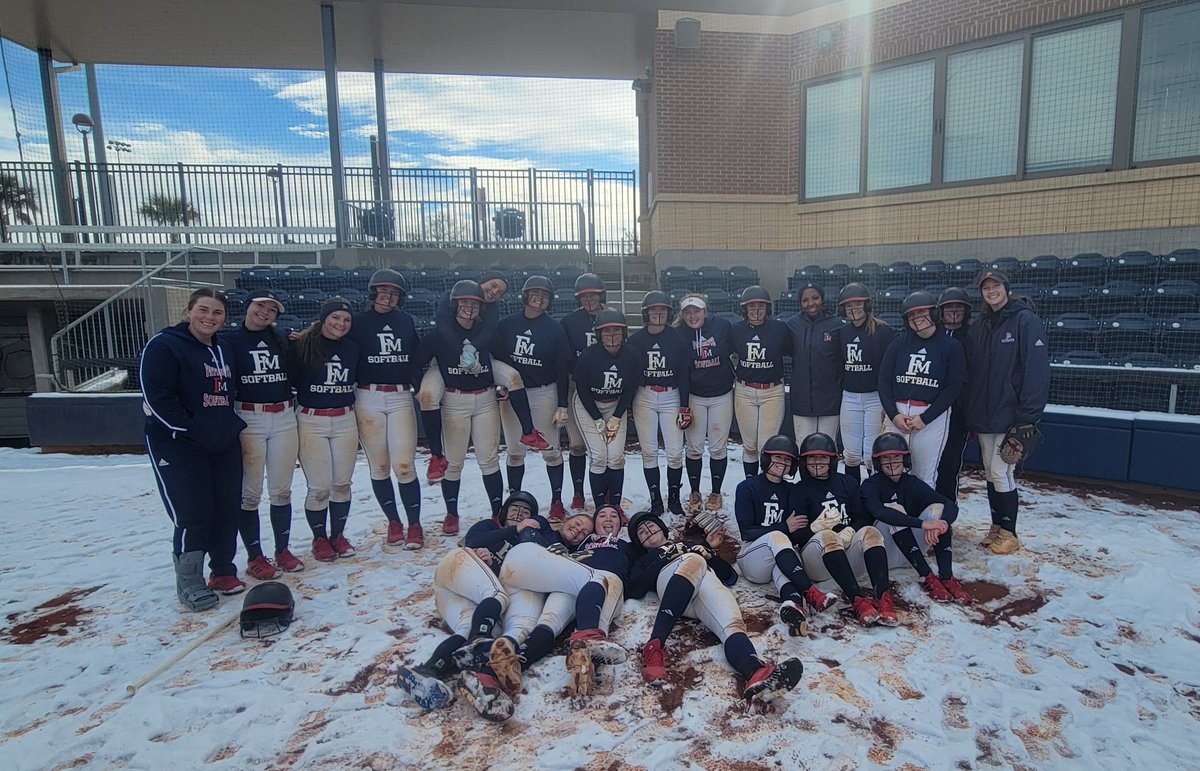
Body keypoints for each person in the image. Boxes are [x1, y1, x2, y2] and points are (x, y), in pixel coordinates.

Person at [395, 491, 553, 722]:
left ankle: (428, 672)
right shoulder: (490, 526)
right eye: (514, 510)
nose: (519, 515)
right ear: (503, 513)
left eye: (525, 513)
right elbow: (473, 541)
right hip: (458, 569)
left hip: (467, 595)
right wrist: (510, 533)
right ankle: (477, 643)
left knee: (468, 626)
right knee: (497, 596)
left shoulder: (525, 543)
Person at [141, 288, 247, 610]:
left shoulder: (224, 348)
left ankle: (223, 570)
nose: (209, 318)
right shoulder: (164, 346)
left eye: (217, 313)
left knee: (228, 507)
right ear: (189, 311)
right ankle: (189, 579)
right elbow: (157, 398)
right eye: (203, 310)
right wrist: (191, 429)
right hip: (178, 444)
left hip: (222, 441)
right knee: (193, 512)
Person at [626, 510, 805, 701]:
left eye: (650, 525)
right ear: (639, 542)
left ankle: (754, 671)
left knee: (732, 624)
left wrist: (710, 555)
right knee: (694, 560)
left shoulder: (689, 545)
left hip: (704, 586)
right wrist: (666, 556)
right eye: (641, 531)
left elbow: (730, 577)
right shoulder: (643, 560)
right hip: (671, 586)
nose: (647, 530)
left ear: (662, 528)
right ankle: (654, 646)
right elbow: (635, 588)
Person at [419, 271, 549, 484]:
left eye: (500, 291)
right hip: (446, 358)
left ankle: (528, 431)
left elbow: (489, 333)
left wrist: (472, 351)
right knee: (428, 394)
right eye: (493, 285)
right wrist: (463, 351)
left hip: (476, 356)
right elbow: (443, 328)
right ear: (483, 281)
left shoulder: (491, 309)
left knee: (513, 377)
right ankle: (436, 455)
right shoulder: (451, 297)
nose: (495, 292)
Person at [498, 504, 633, 696]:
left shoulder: (626, 546)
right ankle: (518, 663)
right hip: (570, 578)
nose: (609, 519)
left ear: (620, 525)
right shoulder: (579, 544)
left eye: (614, 516)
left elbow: (642, 572)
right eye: (602, 515)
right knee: (549, 620)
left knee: (598, 625)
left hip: (608, 580)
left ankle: (585, 668)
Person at [965, 270, 1050, 555]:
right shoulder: (981, 325)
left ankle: (1010, 531)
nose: (991, 291)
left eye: (996, 286)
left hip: (1010, 414)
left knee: (1003, 472)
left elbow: (1036, 372)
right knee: (990, 472)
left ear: (1006, 288)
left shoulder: (1025, 320)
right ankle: (997, 527)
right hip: (985, 414)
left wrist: (1027, 416)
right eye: (986, 287)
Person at [416, 280, 507, 535]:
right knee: (454, 463)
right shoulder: (439, 334)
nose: (469, 308)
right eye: (464, 303)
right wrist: (417, 388)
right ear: (454, 305)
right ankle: (452, 514)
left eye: (474, 304)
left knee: (489, 460)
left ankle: (496, 513)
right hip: (455, 401)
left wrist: (505, 384)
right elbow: (417, 362)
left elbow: (502, 359)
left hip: (485, 399)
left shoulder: (486, 334)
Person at [225, 288, 304, 579]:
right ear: (248, 306)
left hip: (283, 414)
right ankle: (255, 555)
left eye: (272, 309)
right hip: (249, 416)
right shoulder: (230, 340)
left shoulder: (281, 338)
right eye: (261, 306)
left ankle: (282, 549)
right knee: (250, 493)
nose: (265, 312)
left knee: (281, 490)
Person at [349, 269, 425, 550]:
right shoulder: (358, 322)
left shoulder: (405, 321)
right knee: (379, 466)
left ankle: (415, 524)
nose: (388, 297)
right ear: (373, 293)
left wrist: (422, 389)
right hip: (367, 396)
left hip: (399, 395)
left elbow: (416, 359)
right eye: (383, 291)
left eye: (394, 293)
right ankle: (394, 521)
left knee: (404, 465)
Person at [733, 434, 835, 633]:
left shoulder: (792, 490)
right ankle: (811, 592)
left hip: (781, 554)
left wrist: (816, 527)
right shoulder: (747, 487)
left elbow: (797, 534)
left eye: (787, 459)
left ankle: (794, 605)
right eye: (777, 457)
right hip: (752, 557)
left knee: (786, 559)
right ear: (766, 458)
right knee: (778, 538)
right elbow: (746, 532)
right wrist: (783, 527)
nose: (782, 463)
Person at [793, 433, 897, 626]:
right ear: (804, 462)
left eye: (823, 457)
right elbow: (795, 536)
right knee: (828, 535)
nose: (817, 462)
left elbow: (865, 517)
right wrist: (814, 528)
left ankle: (882, 596)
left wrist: (851, 529)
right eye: (812, 458)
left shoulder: (847, 483)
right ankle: (856, 599)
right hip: (817, 561)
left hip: (847, 558)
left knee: (871, 532)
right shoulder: (799, 490)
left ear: (832, 459)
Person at [860, 433, 972, 604]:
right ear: (878, 462)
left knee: (938, 510)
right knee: (894, 511)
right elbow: (879, 512)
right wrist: (922, 524)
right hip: (883, 553)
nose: (891, 463)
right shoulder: (870, 485)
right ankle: (927, 576)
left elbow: (950, 505)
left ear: (905, 458)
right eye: (886, 458)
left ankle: (947, 577)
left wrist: (940, 524)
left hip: (910, 550)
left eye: (896, 457)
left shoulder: (912, 482)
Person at [495, 276, 572, 519]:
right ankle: (514, 499)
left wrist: (561, 403)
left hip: (543, 392)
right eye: (535, 293)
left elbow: (561, 369)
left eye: (545, 295)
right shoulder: (507, 324)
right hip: (513, 395)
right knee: (515, 452)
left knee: (551, 450)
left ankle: (557, 500)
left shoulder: (555, 328)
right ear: (525, 295)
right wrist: (499, 385)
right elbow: (497, 359)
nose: (539, 299)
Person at [292, 297, 360, 562]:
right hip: (312, 420)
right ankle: (319, 538)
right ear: (323, 319)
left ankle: (338, 535)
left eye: (345, 320)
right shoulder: (303, 346)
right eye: (334, 318)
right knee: (319, 487)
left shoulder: (352, 348)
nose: (340, 324)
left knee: (342, 484)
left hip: (345, 419)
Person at [878, 291, 967, 489]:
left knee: (923, 475)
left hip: (931, 416)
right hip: (898, 413)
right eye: (912, 315)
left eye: (921, 312)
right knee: (890, 471)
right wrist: (893, 415)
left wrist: (925, 418)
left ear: (934, 313)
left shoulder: (951, 346)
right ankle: (892, 518)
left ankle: (923, 520)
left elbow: (954, 387)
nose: (917, 318)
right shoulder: (899, 343)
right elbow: (883, 381)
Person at [627, 291, 692, 517]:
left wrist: (684, 405)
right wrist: (628, 405)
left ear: (668, 313)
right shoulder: (635, 340)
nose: (658, 314)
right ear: (646, 313)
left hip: (670, 395)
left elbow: (684, 374)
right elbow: (631, 375)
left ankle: (674, 498)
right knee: (649, 452)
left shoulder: (677, 338)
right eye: (654, 310)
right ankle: (655, 500)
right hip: (644, 396)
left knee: (674, 452)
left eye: (662, 310)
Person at [572, 308, 642, 515]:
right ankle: (601, 508)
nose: (611, 336)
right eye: (606, 331)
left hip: (614, 405)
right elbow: (582, 390)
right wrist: (597, 419)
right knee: (599, 456)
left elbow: (631, 388)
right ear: (599, 335)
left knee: (616, 457)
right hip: (588, 405)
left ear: (624, 333)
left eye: (616, 331)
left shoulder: (632, 355)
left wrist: (617, 416)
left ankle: (616, 506)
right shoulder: (589, 355)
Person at [675, 293, 735, 514]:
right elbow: (680, 370)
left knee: (718, 447)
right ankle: (695, 491)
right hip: (695, 396)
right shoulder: (679, 334)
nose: (693, 316)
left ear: (705, 311)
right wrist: (683, 404)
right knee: (694, 448)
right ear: (682, 315)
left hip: (721, 394)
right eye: (688, 312)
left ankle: (716, 492)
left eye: (697, 311)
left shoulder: (722, 326)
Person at [836, 283, 896, 482]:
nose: (853, 309)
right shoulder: (843, 332)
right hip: (850, 396)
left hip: (875, 398)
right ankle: (852, 498)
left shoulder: (882, 331)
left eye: (858, 304)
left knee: (872, 454)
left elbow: (890, 368)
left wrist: (889, 402)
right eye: (849, 306)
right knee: (851, 454)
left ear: (867, 305)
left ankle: (873, 497)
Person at [731, 285, 791, 479]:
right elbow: (725, 354)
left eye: (761, 306)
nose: (756, 311)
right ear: (744, 309)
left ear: (768, 309)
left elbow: (790, 351)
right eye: (751, 307)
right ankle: (751, 484)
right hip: (744, 389)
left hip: (772, 391)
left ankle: (767, 485)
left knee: (767, 444)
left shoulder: (780, 329)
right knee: (749, 445)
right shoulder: (736, 330)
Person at [560, 272, 607, 511]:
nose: (589, 300)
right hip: (576, 386)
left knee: (606, 445)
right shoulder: (570, 322)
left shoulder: (611, 317)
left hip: (607, 388)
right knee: (577, 444)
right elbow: (564, 358)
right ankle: (578, 492)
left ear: (601, 295)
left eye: (594, 295)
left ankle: (607, 491)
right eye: (584, 297)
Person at [786, 283, 844, 440]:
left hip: (830, 400)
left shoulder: (837, 325)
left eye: (815, 298)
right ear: (800, 303)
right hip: (802, 400)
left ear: (822, 299)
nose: (811, 303)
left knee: (826, 447)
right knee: (804, 448)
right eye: (805, 300)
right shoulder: (792, 325)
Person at [934, 287, 974, 502]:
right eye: (949, 307)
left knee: (949, 465)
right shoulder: (934, 334)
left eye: (959, 307)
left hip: (958, 411)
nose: (954, 311)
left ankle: (946, 512)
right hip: (931, 410)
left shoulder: (973, 336)